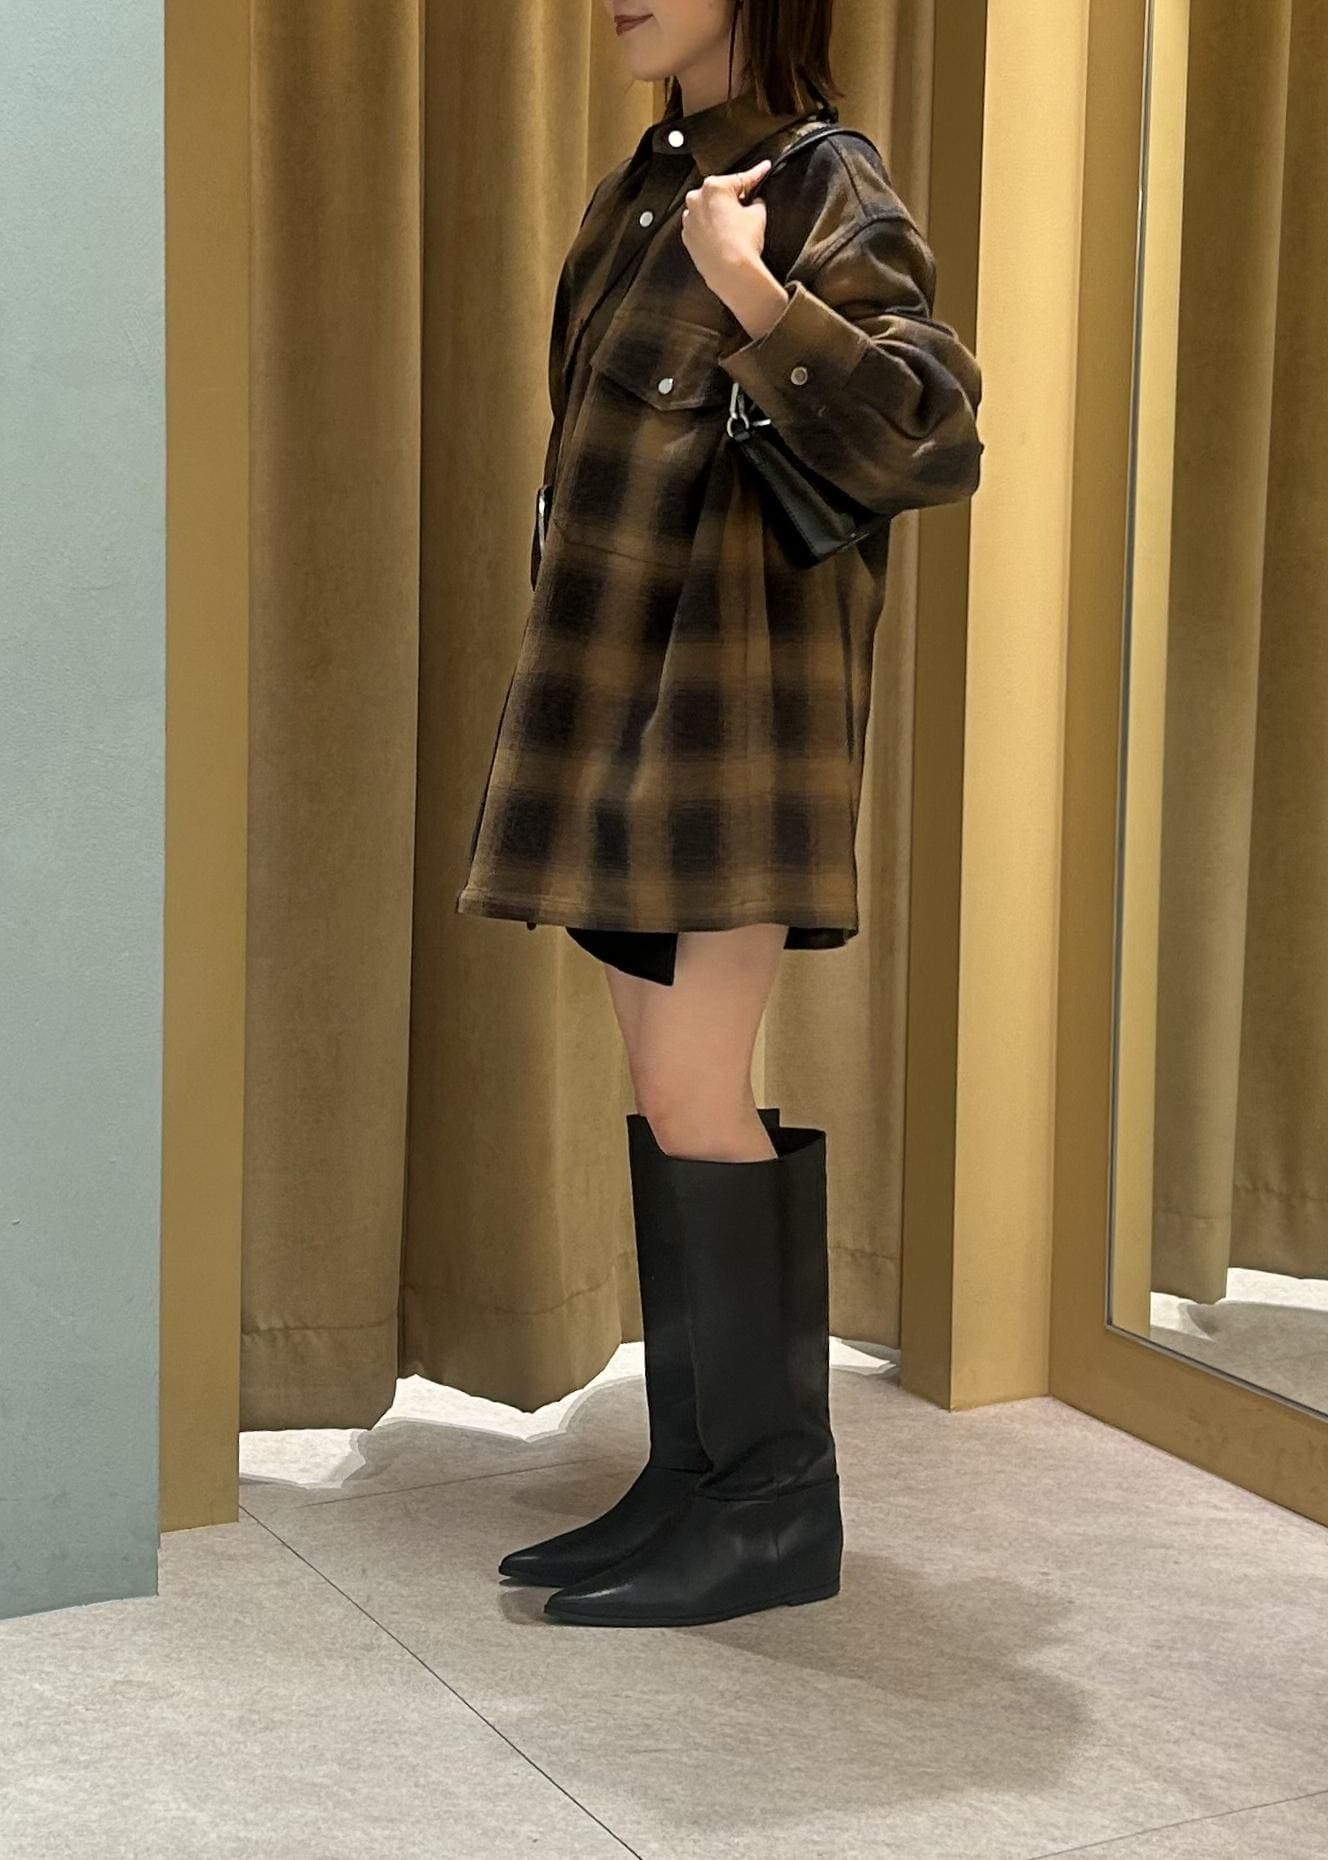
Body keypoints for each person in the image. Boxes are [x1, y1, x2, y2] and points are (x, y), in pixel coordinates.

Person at [456, 0, 984, 1627]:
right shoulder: (645, 190)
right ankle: (696, 1474)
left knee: (696, 1087)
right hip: (618, 707)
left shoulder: (823, 182)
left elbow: (931, 435)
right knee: (666, 1086)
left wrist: (758, 294)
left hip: (731, 720)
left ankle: (771, 1507)